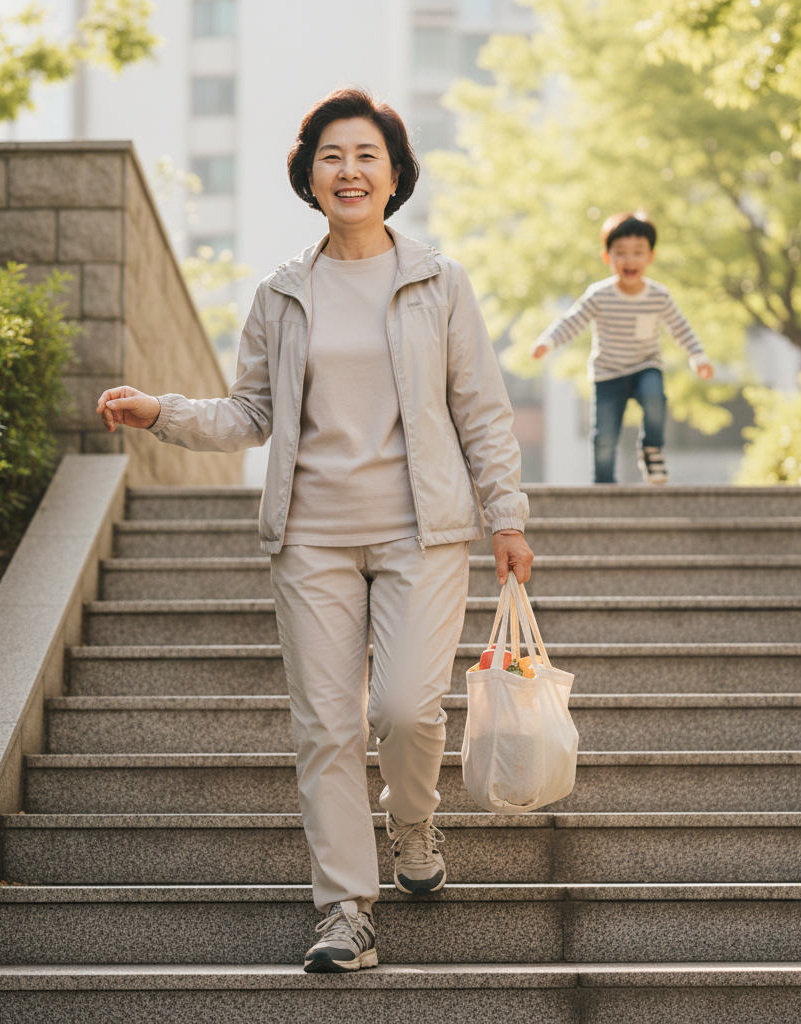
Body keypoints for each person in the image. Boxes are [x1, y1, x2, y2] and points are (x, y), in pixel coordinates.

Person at [96, 87, 533, 973]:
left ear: (396, 174)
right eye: (332, 156)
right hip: (313, 539)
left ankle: (412, 824)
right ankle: (346, 909)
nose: (350, 171)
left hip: (424, 533)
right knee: (326, 729)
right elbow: (253, 411)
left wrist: (507, 517)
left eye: (367, 155)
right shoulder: (282, 293)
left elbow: (483, 409)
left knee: (407, 711)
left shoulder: (439, 282)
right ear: (309, 174)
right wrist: (161, 413)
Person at [531, 212, 713, 484]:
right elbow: (573, 320)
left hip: (644, 366)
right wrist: (547, 341)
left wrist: (698, 356)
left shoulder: (658, 296)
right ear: (608, 257)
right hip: (608, 373)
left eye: (638, 252)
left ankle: (651, 449)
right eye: (621, 253)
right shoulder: (599, 295)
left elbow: (680, 327)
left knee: (655, 397)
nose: (630, 260)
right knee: (603, 437)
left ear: (651, 256)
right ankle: (603, 487)